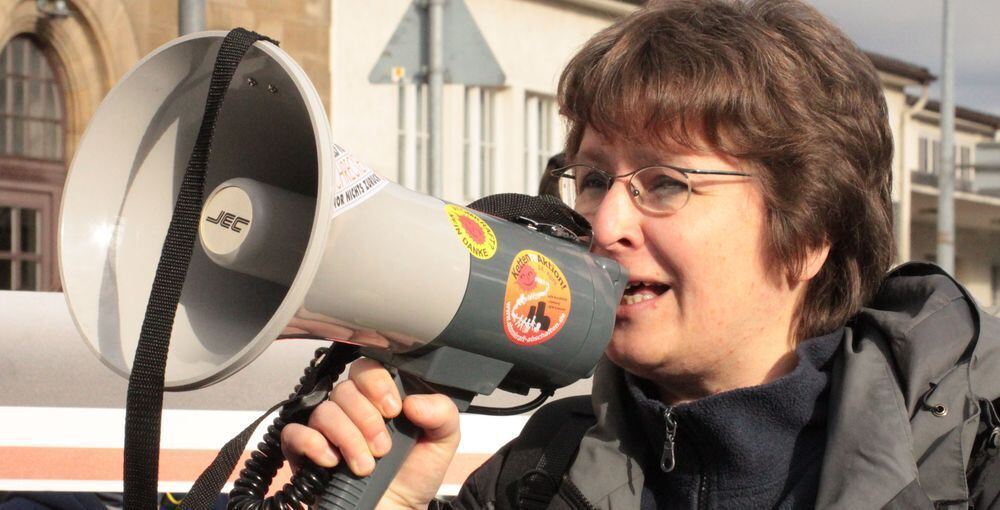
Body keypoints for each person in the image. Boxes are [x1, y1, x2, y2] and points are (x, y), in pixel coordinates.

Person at [282, 0, 1000, 508]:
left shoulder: (969, 460)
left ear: (809, 234)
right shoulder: (534, 479)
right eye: (594, 179)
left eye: (666, 183)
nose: (605, 222)